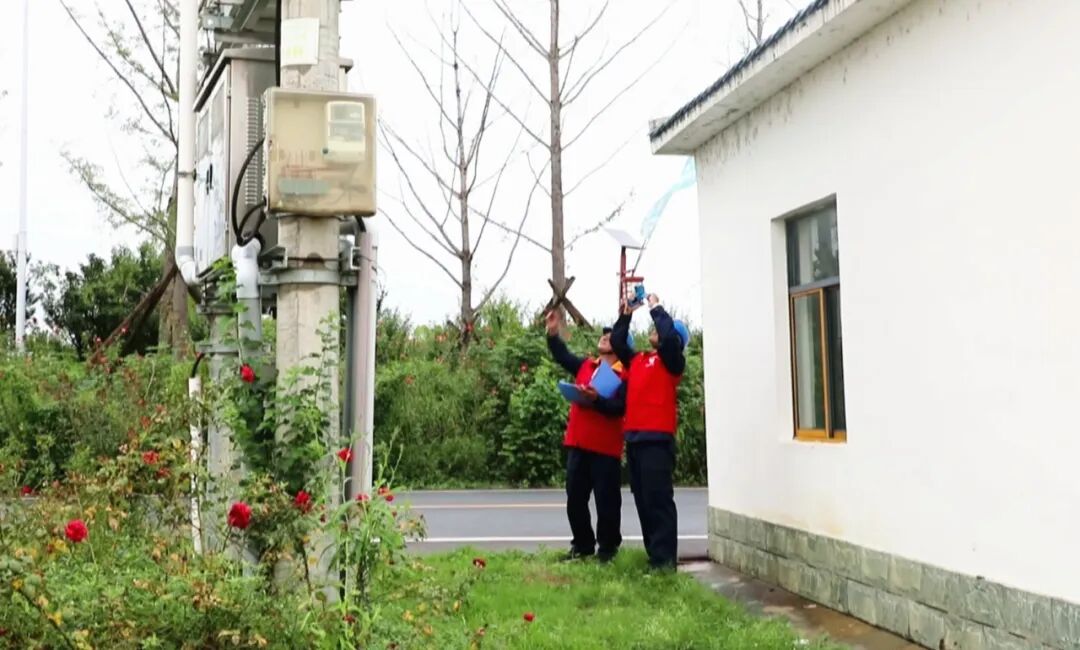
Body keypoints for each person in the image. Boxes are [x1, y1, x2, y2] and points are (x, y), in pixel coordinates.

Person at [610, 293, 689, 570]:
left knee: (658, 500)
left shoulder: (673, 363)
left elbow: (669, 339)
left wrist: (656, 308)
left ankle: (665, 561)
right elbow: (618, 342)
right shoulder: (639, 359)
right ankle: (654, 556)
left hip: (657, 440)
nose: (655, 331)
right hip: (635, 438)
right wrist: (627, 313)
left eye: (661, 330)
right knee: (643, 500)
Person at [545, 310, 631, 562]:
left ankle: (607, 550)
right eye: (604, 335)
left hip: (605, 447)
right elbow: (562, 355)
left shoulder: (625, 374)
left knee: (607, 502)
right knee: (575, 498)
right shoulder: (586, 365)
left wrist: (596, 400)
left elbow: (619, 408)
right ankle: (582, 545)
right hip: (578, 442)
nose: (604, 337)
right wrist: (553, 333)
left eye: (610, 336)